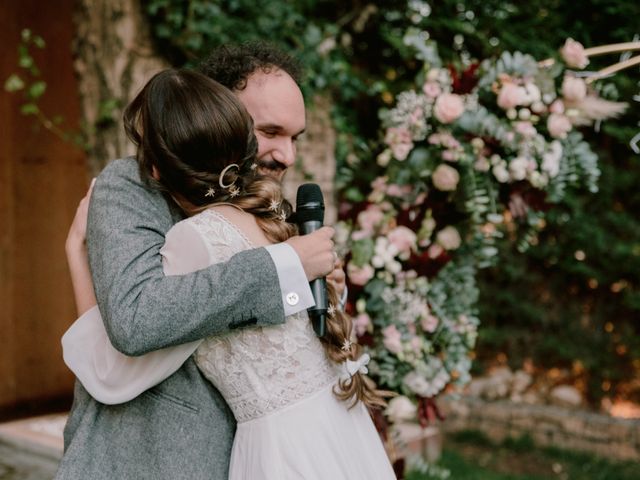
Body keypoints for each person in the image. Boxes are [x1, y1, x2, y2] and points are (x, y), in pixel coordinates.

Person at [63, 68, 395, 479]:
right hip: (155, 458)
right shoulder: (134, 188)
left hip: (285, 441)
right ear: (225, 117)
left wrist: (319, 288)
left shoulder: (259, 205)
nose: (287, 155)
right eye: (270, 131)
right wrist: (286, 268)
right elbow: (132, 326)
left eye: (296, 138)